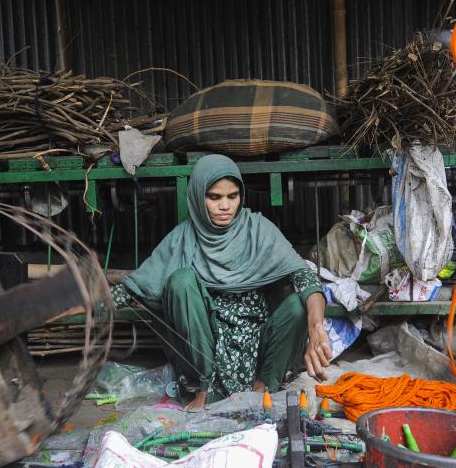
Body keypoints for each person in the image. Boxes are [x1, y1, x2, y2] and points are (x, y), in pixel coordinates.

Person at [112, 154, 331, 410]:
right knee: (180, 281)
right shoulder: (183, 237)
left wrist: (317, 328)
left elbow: (306, 279)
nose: (225, 206)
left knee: (297, 305)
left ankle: (262, 388)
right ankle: (206, 389)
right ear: (197, 197)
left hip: (257, 343)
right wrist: (87, 302)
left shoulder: (258, 229)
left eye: (233, 196)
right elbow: (132, 288)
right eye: (214, 197)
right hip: (206, 345)